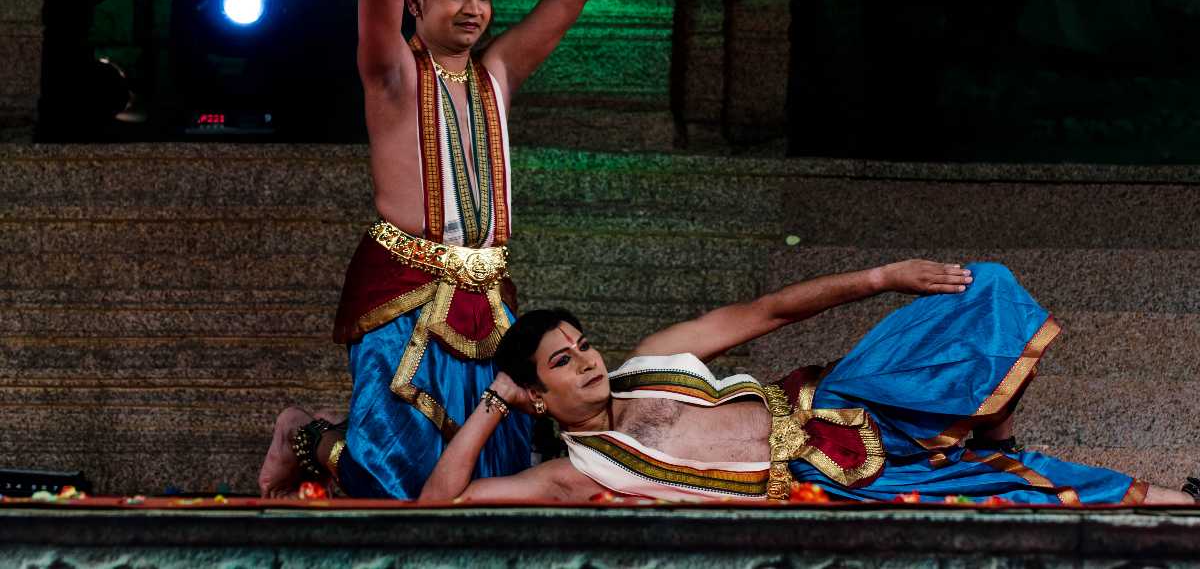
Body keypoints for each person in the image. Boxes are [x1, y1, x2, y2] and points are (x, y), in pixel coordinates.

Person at [257, 0, 593, 498]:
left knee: (480, 478)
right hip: (402, 290)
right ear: (416, 3)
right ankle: (306, 433)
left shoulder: (496, 71)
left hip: (489, 299)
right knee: (393, 483)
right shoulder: (391, 77)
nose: (474, 8)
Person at [416, 261, 1197, 505]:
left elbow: (768, 310)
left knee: (982, 290)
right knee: (1032, 491)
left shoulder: (653, 355)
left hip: (841, 399)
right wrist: (493, 401)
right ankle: (1184, 501)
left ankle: (990, 426)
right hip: (831, 485)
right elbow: (437, 503)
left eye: (582, 345)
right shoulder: (573, 473)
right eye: (562, 363)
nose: (587, 361)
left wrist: (886, 276)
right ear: (537, 394)